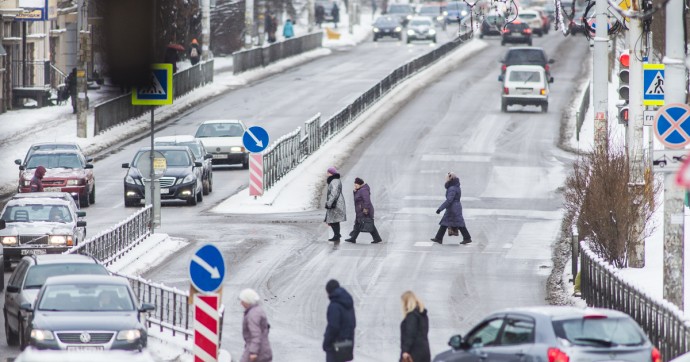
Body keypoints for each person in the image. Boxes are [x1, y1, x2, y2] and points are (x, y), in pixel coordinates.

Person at [431, 172, 472, 245]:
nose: (446, 180)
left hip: (453, 208)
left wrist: (440, 209)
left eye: (447, 179)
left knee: (457, 223)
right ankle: (438, 238)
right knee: (446, 222)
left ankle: (467, 238)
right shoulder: (455, 187)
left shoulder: (452, 188)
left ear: (451, 179)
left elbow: (449, 200)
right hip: (454, 207)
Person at [323, 279, 356, 362]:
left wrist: (326, 343)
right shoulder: (348, 303)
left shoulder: (334, 305)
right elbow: (353, 323)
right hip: (346, 344)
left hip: (335, 345)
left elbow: (333, 327)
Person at [345, 177, 382, 244]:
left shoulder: (363, 190)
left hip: (364, 210)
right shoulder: (360, 190)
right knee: (357, 223)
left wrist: (366, 209)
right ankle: (353, 238)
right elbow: (357, 199)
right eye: (355, 184)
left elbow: (367, 200)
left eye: (356, 184)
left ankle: (377, 238)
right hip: (360, 210)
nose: (355, 186)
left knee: (368, 224)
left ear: (360, 184)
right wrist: (355, 192)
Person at [239, 289, 273, 362]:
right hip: (264, 350)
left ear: (248, 301)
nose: (241, 303)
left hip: (257, 352)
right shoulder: (258, 310)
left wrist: (253, 352)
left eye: (242, 301)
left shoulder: (253, 315)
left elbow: (255, 334)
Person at [399, 291, 430, 362]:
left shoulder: (412, 316)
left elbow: (410, 334)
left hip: (413, 352)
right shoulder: (422, 314)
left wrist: (405, 350)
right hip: (425, 351)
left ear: (406, 302)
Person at [324, 167, 346, 242]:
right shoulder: (334, 180)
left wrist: (329, 203)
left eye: (328, 173)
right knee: (334, 220)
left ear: (331, 173)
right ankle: (336, 235)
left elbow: (334, 193)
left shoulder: (334, 181)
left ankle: (337, 235)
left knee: (333, 220)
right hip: (336, 202)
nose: (327, 174)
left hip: (336, 203)